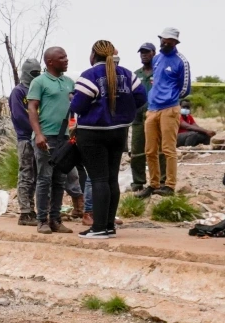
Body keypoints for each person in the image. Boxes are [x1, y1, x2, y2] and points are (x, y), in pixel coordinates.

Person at [69, 40, 149, 239]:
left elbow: (78, 106)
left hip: (93, 133)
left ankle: (98, 228)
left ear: (93, 55)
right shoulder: (127, 74)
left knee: (98, 179)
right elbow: (141, 98)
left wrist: (74, 99)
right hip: (119, 132)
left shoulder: (89, 76)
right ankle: (109, 226)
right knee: (111, 179)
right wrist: (123, 113)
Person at [27, 47, 76, 235]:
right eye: (61, 57)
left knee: (59, 180)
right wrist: (38, 134)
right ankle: (42, 221)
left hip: (64, 137)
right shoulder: (39, 82)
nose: (66, 59)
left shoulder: (69, 82)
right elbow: (32, 109)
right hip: (46, 137)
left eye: (66, 56)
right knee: (44, 179)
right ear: (50, 62)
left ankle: (55, 219)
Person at [140, 28, 191, 198]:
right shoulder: (156, 58)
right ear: (160, 39)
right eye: (164, 39)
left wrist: (170, 97)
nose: (166, 42)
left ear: (176, 42)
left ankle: (169, 185)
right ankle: (153, 184)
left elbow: (185, 88)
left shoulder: (181, 61)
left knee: (168, 149)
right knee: (150, 149)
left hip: (169, 108)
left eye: (171, 40)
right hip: (152, 108)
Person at [9, 58, 43, 225]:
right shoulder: (19, 92)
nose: (37, 76)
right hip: (25, 138)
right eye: (34, 73)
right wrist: (35, 128)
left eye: (39, 73)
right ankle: (25, 212)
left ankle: (32, 209)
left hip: (38, 137)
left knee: (36, 176)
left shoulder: (38, 90)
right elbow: (19, 116)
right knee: (26, 174)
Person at [130, 43, 159, 190]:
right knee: (137, 150)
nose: (143, 55)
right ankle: (138, 182)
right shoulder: (135, 74)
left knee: (158, 150)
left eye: (147, 52)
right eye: (141, 52)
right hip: (138, 116)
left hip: (155, 114)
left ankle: (161, 181)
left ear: (154, 53)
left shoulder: (160, 72)